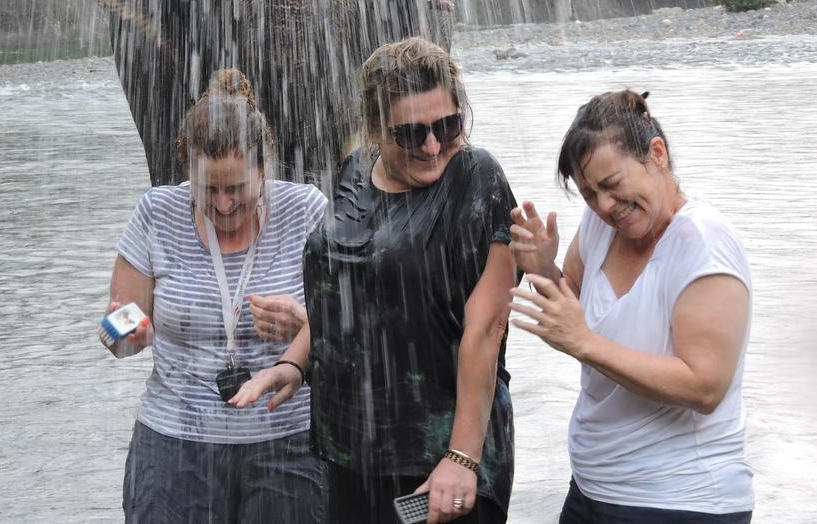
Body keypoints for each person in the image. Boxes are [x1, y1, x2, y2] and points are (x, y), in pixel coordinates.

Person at [233, 37, 519, 524]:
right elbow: (342, 297)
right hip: (348, 448)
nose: (432, 146)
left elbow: (487, 327)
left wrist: (463, 457)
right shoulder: (354, 171)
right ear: (375, 129)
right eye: (410, 134)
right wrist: (295, 364)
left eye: (447, 126)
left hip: (440, 454)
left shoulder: (475, 176)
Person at [508, 89, 754, 523]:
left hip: (683, 499)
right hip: (592, 487)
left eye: (612, 185)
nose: (605, 206)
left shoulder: (704, 244)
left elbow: (705, 387)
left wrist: (585, 344)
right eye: (588, 194)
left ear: (656, 154)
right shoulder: (600, 228)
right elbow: (570, 320)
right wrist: (543, 270)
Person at [101, 68, 327, 523]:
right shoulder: (158, 213)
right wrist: (127, 332)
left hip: (288, 444)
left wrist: (304, 320)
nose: (224, 204)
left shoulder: (306, 211)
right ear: (188, 172)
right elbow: (114, 325)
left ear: (264, 168)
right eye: (209, 190)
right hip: (173, 445)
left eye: (237, 188)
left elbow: (351, 323)